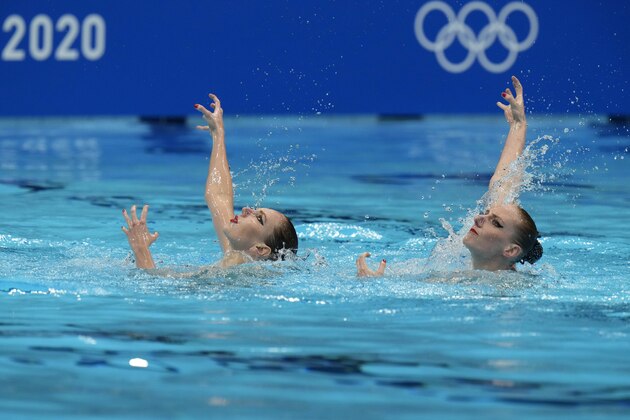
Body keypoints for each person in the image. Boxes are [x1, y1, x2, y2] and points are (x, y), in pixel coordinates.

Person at [356, 76, 543, 276]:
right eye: (487, 212)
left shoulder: (507, 290)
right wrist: (518, 125)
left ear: (511, 250)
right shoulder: (462, 273)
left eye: (495, 222)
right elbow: (504, 182)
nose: (479, 217)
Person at [122, 93, 298, 271]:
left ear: (261, 249)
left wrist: (140, 249)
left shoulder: (239, 276)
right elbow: (218, 196)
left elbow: (158, 287)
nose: (246, 209)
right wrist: (218, 134)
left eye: (259, 218)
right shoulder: (238, 256)